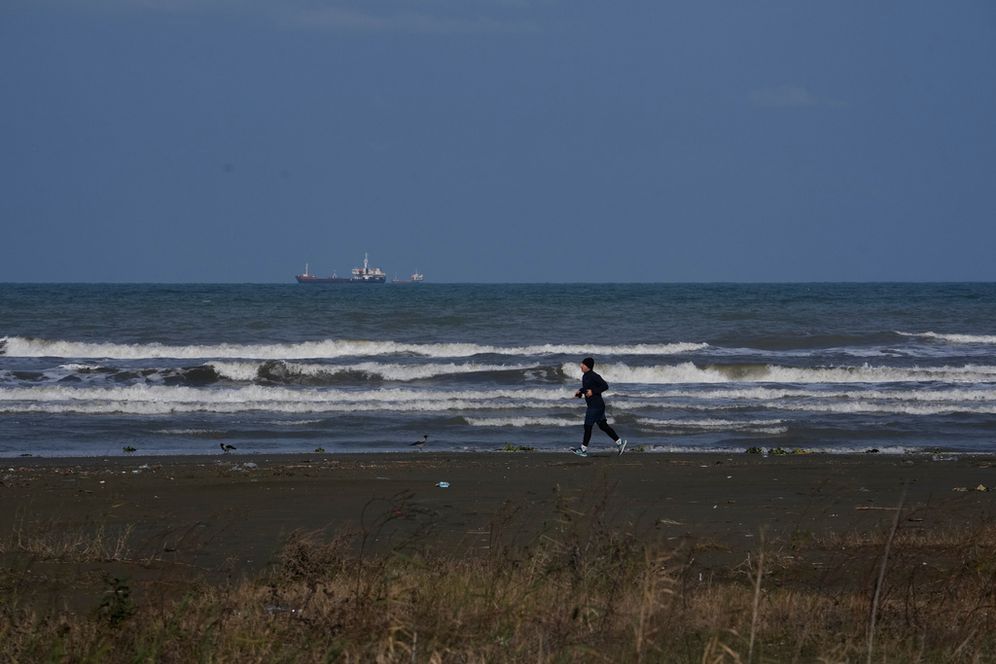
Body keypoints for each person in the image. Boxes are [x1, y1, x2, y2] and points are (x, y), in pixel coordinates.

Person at [570, 357, 626, 457]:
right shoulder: (585, 376)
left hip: (596, 406)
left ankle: (583, 449)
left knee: (587, 426)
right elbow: (587, 388)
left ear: (588, 366)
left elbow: (605, 386)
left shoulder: (594, 375)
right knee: (603, 426)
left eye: (583, 364)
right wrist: (580, 391)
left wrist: (593, 391)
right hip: (595, 405)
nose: (581, 365)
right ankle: (619, 442)